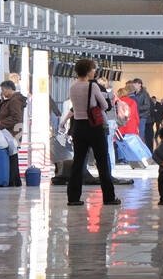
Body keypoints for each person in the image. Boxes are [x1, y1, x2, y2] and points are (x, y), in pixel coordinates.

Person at [65, 58, 120, 207]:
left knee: (78, 163)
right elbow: (104, 106)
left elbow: (75, 107)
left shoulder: (73, 87)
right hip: (94, 127)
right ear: (89, 70)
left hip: (78, 127)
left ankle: (73, 198)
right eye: (93, 69)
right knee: (102, 162)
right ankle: (109, 197)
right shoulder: (93, 87)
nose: (94, 71)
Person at [0, 79, 28, 187]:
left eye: (3, 90)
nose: (2, 93)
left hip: (11, 132)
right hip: (12, 132)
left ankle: (13, 180)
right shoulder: (12, 100)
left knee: (12, 156)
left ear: (9, 89)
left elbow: (16, 118)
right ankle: (15, 180)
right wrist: (1, 100)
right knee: (13, 156)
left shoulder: (15, 101)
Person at [132, 78, 155, 147]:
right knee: (137, 134)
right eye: (133, 84)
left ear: (140, 84)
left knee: (141, 135)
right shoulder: (134, 94)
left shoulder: (144, 94)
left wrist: (137, 108)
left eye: (135, 84)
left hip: (142, 117)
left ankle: (142, 150)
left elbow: (147, 106)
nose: (134, 85)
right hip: (136, 116)